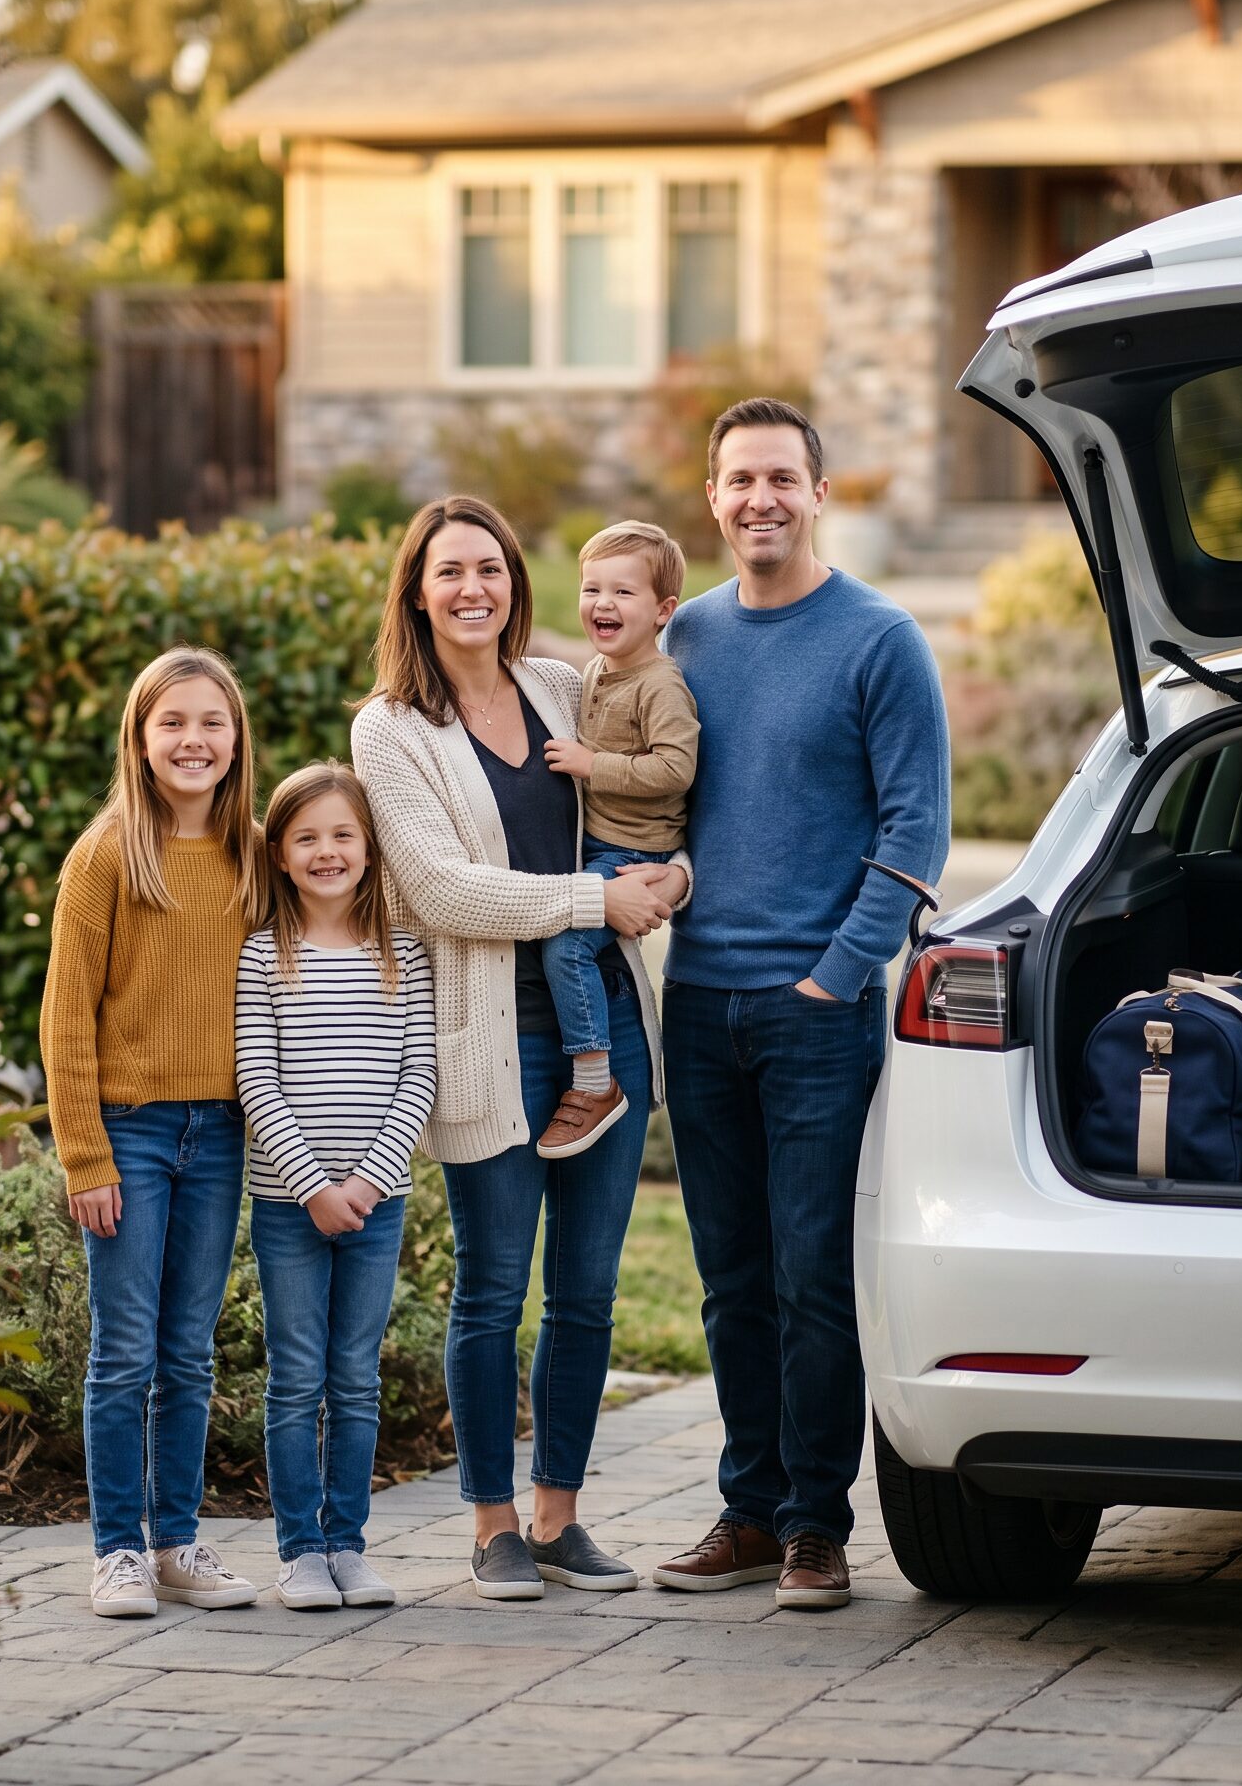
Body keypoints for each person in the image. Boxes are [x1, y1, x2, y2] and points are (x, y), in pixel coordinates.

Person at [349, 495, 688, 1600]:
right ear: (416, 589)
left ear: (513, 581)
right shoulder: (389, 728)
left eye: (489, 569)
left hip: (609, 1042)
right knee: (493, 1292)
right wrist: (595, 898)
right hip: (491, 1044)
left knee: (588, 1294)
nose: (472, 590)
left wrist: (675, 879)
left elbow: (662, 803)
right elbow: (444, 890)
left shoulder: (560, 684)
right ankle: (491, 1519)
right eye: (449, 572)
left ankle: (559, 1515)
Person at [652, 399, 949, 1610]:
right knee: (729, 1277)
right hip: (699, 1001)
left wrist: (838, 969)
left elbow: (916, 829)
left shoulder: (881, 639)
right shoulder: (684, 641)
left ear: (819, 493)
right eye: (738, 480)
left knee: (813, 1275)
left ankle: (818, 1529)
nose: (759, 498)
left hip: (819, 1013)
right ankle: (750, 1504)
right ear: (712, 499)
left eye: (782, 476)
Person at [39, 645, 270, 1619]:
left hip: (217, 1134)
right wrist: (85, 1152)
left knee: (188, 1351)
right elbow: (65, 1017)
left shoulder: (256, 855)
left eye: (211, 722)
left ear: (235, 740)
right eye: (172, 722)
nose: (193, 739)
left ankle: (176, 1539)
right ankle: (116, 1551)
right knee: (124, 1350)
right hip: (129, 1135)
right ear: (140, 739)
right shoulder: (106, 855)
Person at [235, 761, 436, 1612]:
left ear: (369, 847)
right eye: (306, 838)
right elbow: (257, 1077)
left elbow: (418, 1074)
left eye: (342, 836)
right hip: (287, 1205)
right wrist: (315, 1185)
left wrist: (369, 1181)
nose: (327, 852)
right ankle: (300, 1552)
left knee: (355, 1376)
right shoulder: (261, 954)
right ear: (279, 854)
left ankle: (349, 1543)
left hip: (377, 1204)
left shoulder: (405, 955)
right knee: (296, 1376)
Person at [534, 520, 699, 1160]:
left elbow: (675, 768)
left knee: (568, 944)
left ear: (663, 611)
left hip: (636, 856)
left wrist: (590, 764)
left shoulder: (660, 684)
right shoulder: (600, 668)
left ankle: (594, 1082)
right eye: (591, 588)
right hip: (600, 849)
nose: (603, 604)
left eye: (623, 593)